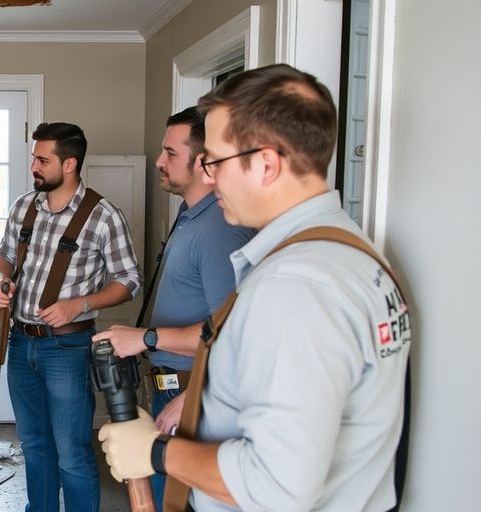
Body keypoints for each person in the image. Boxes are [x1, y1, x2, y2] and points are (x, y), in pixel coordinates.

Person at [97, 64, 411, 511]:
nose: (210, 176)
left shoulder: (295, 287)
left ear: (266, 164)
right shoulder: (351, 250)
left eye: (216, 161)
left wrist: (153, 451)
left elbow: (278, 487)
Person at [91, 106, 253, 511]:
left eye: (170, 154)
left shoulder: (219, 230)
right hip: (171, 385)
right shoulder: (189, 216)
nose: (160, 162)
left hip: (190, 391)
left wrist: (195, 392)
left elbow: (232, 335)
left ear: (203, 162)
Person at [0, 122, 142, 512]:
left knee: (72, 453)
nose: (34, 166)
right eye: (34, 158)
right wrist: (0, 280)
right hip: (20, 344)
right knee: (35, 446)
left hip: (68, 348)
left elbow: (129, 280)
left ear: (70, 163)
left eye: (43, 159)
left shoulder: (104, 216)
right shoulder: (24, 206)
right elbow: (3, 255)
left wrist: (81, 304)